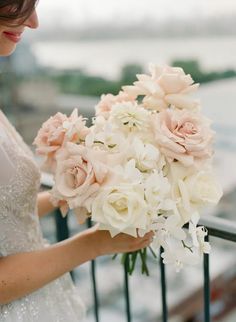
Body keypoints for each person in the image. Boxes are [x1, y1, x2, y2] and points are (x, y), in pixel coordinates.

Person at [0, 1, 154, 321]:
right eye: (18, 3)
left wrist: (78, 192)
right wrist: (93, 243)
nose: (34, 22)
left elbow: (7, 211)